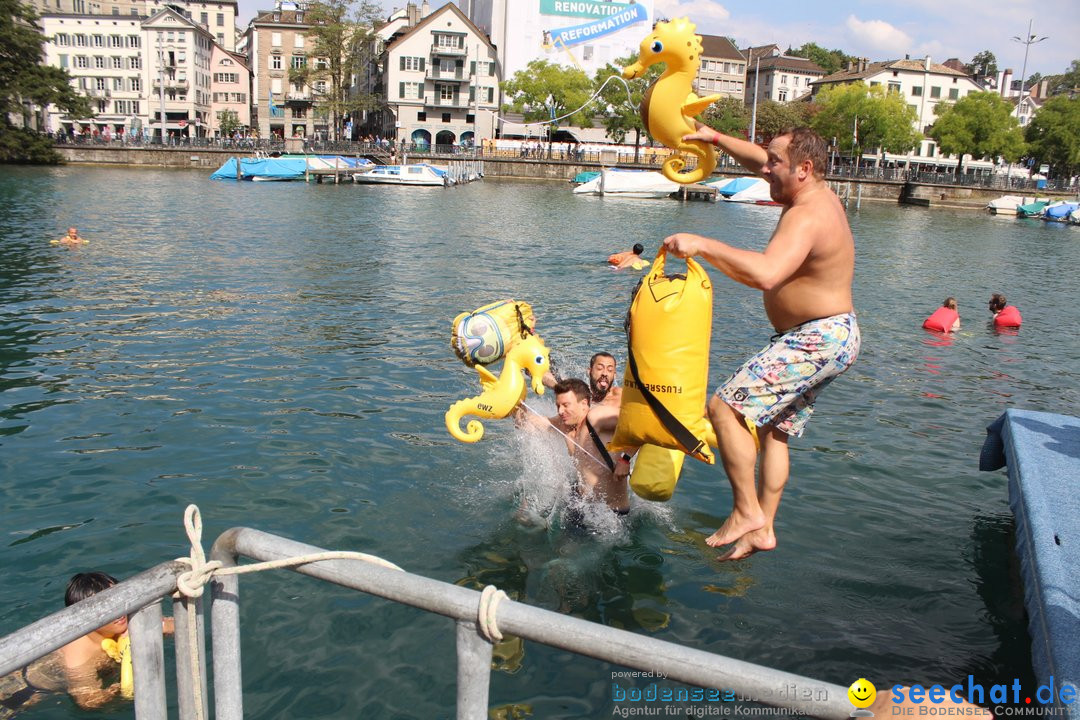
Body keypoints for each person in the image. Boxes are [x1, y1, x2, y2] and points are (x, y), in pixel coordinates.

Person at [662, 125, 860, 561]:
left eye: (775, 162)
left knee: (725, 408)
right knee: (775, 432)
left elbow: (767, 273)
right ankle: (763, 528)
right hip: (830, 335)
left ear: (804, 169)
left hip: (817, 337)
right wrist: (713, 139)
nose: (765, 169)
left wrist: (702, 244)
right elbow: (758, 160)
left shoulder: (807, 214)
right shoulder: (814, 194)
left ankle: (746, 512)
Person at [517, 378, 630, 516]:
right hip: (580, 505)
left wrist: (625, 459)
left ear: (584, 404)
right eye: (558, 406)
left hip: (611, 514)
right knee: (525, 514)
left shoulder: (597, 418)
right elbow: (528, 423)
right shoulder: (565, 425)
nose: (560, 411)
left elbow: (638, 423)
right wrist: (515, 404)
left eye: (565, 405)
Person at [544, 352, 622, 408]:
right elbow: (545, 376)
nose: (605, 373)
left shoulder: (620, 396)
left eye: (610, 370)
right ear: (589, 371)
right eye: (600, 368)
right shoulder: (581, 392)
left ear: (614, 375)